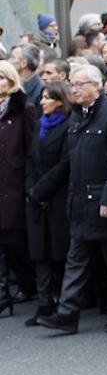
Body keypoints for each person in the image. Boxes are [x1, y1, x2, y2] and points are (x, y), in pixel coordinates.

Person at [37, 65, 107, 334]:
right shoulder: (78, 116)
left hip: (104, 203)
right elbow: (72, 161)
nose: (74, 89)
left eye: (79, 84)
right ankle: (68, 314)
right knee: (76, 260)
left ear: (96, 85)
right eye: (71, 84)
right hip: (81, 202)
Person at [24, 83, 72, 326]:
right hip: (36, 198)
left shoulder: (67, 126)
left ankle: (63, 304)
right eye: (42, 98)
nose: (42, 102)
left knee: (58, 254)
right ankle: (44, 304)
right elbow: (31, 158)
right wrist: (31, 190)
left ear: (60, 101)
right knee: (39, 253)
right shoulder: (40, 125)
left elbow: (64, 164)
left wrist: (40, 189)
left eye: (47, 98)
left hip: (56, 197)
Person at [0, 60, 38, 317]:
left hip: (14, 182)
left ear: (11, 80)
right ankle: (5, 292)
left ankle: (29, 283)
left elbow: (31, 151)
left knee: (16, 241)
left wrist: (29, 187)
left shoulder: (24, 109)